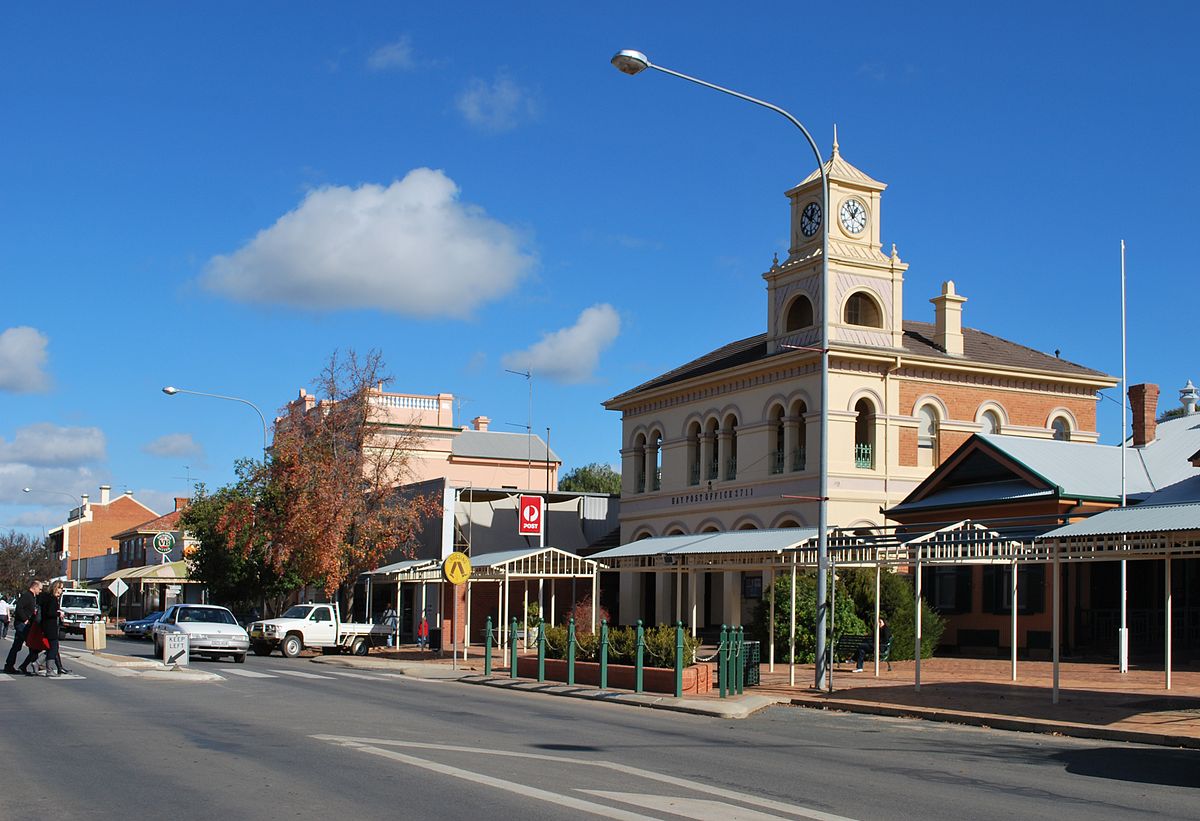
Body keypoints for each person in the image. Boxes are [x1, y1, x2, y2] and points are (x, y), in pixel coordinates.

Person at [26, 580, 69, 677]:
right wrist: (59, 613)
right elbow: (50, 613)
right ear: (56, 588)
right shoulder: (52, 599)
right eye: (60, 588)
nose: (61, 590)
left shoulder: (46, 598)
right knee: (54, 648)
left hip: (46, 626)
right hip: (50, 626)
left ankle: (38, 664)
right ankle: (45, 667)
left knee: (52, 648)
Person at [4, 580, 41, 674]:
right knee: (31, 646)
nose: (40, 591)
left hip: (24, 625)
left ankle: (11, 665)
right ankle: (33, 664)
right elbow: (19, 608)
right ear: (34, 587)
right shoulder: (27, 596)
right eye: (39, 589)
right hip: (22, 625)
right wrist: (25, 619)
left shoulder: (32, 597)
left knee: (17, 646)